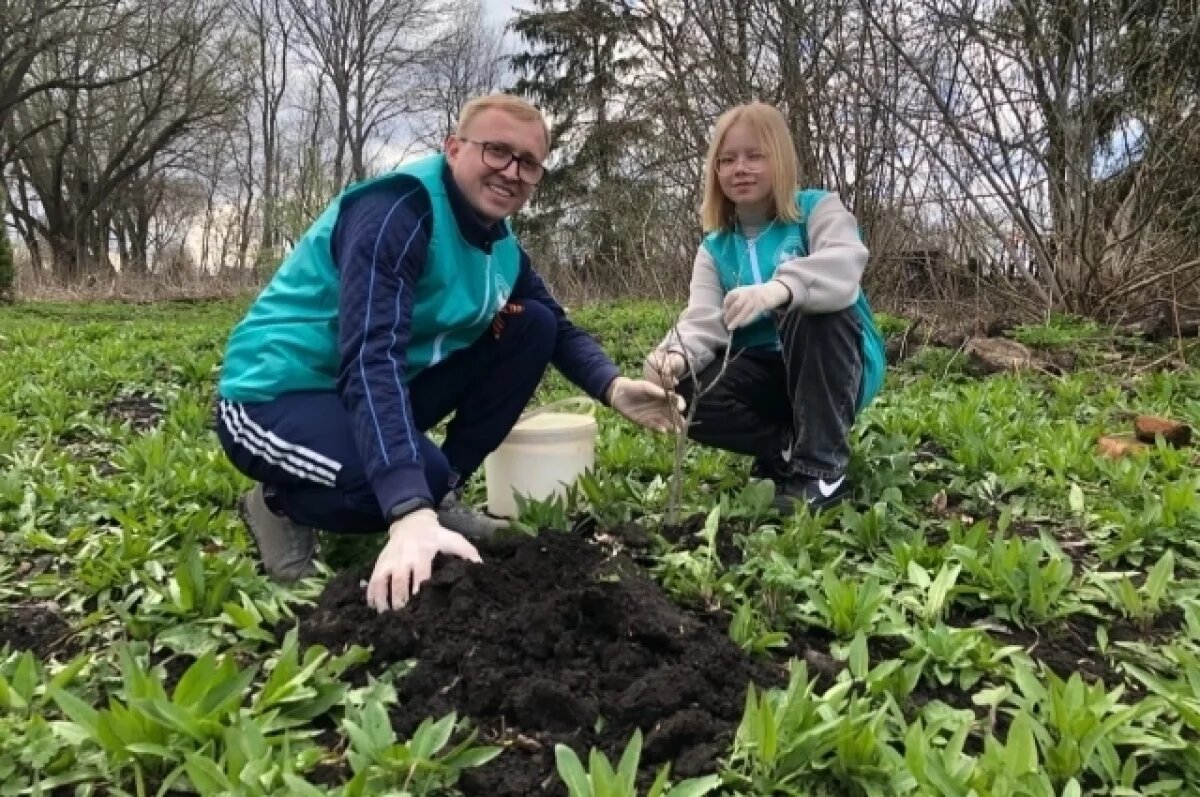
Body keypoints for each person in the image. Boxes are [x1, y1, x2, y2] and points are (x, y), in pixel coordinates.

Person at [214, 94, 682, 612]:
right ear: (454, 147)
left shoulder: (499, 243)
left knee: (534, 326)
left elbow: (560, 329)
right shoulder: (396, 212)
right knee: (411, 483)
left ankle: (438, 491)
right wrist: (408, 507)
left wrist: (613, 387)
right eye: (496, 151)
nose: (511, 171)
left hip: (364, 393)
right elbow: (371, 360)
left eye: (528, 163)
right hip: (275, 393)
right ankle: (280, 503)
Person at [643, 101, 885, 513]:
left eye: (755, 155)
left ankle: (823, 470)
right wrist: (673, 357)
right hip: (763, 371)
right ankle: (786, 449)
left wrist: (780, 289)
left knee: (810, 311)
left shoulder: (818, 210)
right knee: (685, 393)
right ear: (715, 172)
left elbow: (845, 264)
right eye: (728, 159)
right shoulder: (715, 248)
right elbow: (702, 320)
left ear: (781, 159)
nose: (741, 168)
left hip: (836, 365)